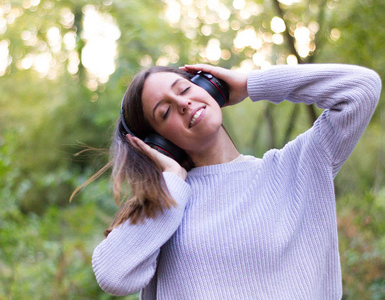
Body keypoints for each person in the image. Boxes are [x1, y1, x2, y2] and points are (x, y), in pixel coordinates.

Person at [90, 63, 381, 299]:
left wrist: (251, 85)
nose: (182, 103)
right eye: (164, 112)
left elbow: (362, 88)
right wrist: (172, 182)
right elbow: (112, 274)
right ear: (157, 143)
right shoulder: (168, 203)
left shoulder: (297, 168)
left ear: (210, 87)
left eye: (185, 89)